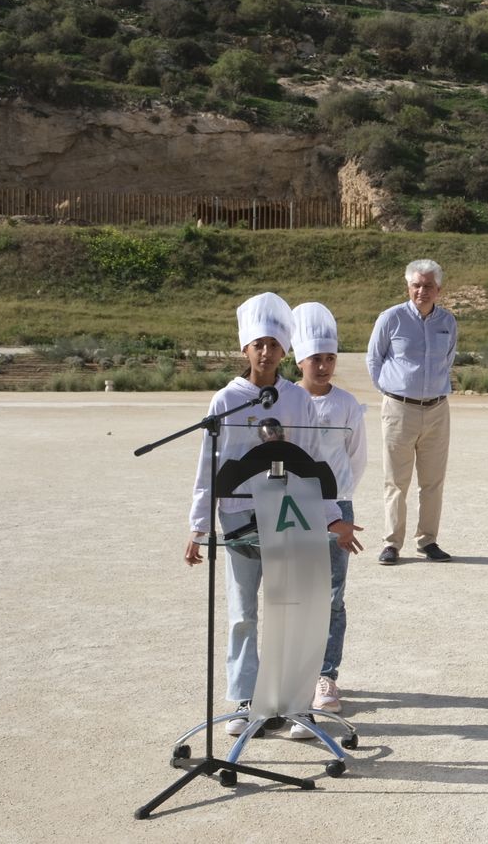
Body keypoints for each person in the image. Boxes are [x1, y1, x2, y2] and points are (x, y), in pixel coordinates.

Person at [183, 293, 360, 735]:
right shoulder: (226, 400)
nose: (266, 352)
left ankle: (294, 699)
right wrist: (199, 525)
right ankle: (247, 698)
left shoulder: (297, 400)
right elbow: (209, 466)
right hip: (239, 516)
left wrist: (332, 517)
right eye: (258, 344)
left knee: (292, 608)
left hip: (288, 513)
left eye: (274, 345)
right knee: (243, 610)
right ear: (245, 348)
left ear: (285, 351)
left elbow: (314, 462)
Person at [290, 302, 368, 729]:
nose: (323, 366)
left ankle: (325, 675)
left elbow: (356, 458)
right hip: (291, 507)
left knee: (333, 594)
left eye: (330, 358)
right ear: (298, 360)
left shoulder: (347, 405)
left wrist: (338, 498)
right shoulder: (287, 400)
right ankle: (293, 672)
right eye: (315, 359)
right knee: (295, 591)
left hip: (338, 505)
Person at [366, 259, 456, 567]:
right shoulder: (391, 319)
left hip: (437, 410)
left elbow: (448, 359)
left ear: (438, 289)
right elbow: (374, 359)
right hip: (399, 409)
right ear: (408, 286)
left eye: (428, 286)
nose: (422, 291)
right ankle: (392, 543)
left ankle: (427, 540)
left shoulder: (448, 321)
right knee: (396, 480)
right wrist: (392, 391)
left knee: (433, 481)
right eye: (416, 285)